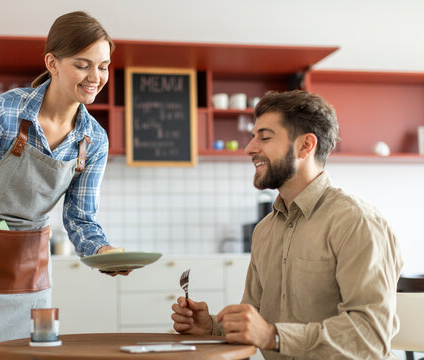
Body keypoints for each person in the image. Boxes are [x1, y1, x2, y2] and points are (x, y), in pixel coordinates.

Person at [0, 11, 125, 360]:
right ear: (53, 63)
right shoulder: (7, 112)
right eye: (83, 64)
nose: (95, 77)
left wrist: (101, 251)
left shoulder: (93, 139)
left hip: (30, 274)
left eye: (103, 66)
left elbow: (79, 218)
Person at [171, 90, 403, 359]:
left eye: (265, 137)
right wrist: (212, 326)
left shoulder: (356, 223)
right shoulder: (265, 230)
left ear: (305, 146)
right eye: (253, 136)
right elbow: (257, 316)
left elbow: (370, 335)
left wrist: (273, 336)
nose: (250, 148)